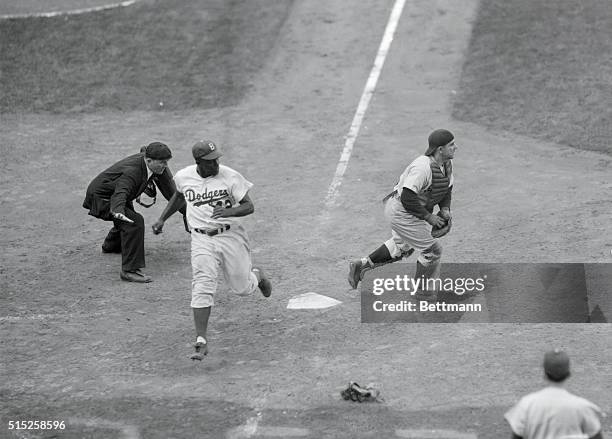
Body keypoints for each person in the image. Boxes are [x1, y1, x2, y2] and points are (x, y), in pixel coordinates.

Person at [151, 140, 272, 360]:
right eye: (210, 161)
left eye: (217, 159)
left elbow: (249, 206)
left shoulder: (229, 176)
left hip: (230, 236)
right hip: (201, 239)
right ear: (199, 162)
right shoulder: (184, 177)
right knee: (202, 284)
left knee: (242, 288)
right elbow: (178, 196)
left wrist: (229, 212)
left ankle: (257, 275)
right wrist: (161, 219)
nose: (216, 163)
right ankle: (201, 340)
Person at [347, 129, 457, 296]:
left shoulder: (446, 165)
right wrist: (429, 217)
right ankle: (422, 293)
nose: (456, 147)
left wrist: (445, 209)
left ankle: (361, 265)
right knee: (432, 251)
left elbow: (446, 189)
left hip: (410, 211)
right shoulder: (423, 167)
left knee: (402, 247)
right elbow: (407, 197)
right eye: (452, 145)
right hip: (401, 210)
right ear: (440, 149)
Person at [83, 142, 184, 283]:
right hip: (102, 197)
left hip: (115, 192)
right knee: (134, 222)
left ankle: (110, 246)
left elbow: (172, 193)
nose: (165, 166)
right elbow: (121, 192)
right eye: (162, 162)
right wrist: (118, 210)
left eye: (166, 162)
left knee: (128, 218)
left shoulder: (151, 163)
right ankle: (129, 271)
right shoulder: (133, 171)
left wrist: (187, 212)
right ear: (148, 160)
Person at [504, 349, 604, 439]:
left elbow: (516, 436)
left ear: (545, 374)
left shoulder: (526, 404)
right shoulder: (582, 407)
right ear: (568, 373)